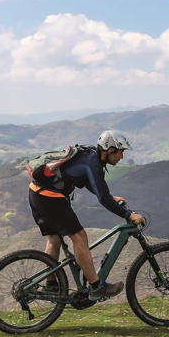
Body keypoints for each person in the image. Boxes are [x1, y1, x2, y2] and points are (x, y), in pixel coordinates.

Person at [28, 129, 146, 301]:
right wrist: (128, 215)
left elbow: (88, 183)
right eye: (120, 152)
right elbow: (103, 198)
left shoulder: (90, 156)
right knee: (80, 236)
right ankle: (96, 286)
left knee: (54, 240)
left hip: (36, 193)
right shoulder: (94, 163)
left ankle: (51, 285)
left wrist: (111, 198)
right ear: (110, 150)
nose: (122, 157)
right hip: (48, 197)